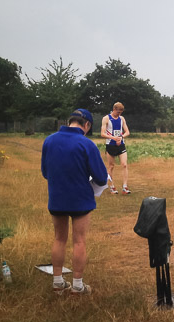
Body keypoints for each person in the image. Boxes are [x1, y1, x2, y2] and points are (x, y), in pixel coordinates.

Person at [41, 109, 108, 295]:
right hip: (80, 200)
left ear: (69, 121)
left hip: (57, 198)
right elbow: (102, 178)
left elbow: (45, 172)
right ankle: (78, 285)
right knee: (79, 241)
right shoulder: (86, 144)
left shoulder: (49, 141)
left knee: (59, 238)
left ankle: (58, 282)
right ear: (86, 125)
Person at [101, 102, 131, 194]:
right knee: (111, 166)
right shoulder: (106, 118)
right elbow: (102, 134)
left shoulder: (122, 119)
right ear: (114, 109)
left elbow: (127, 132)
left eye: (121, 112)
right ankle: (112, 186)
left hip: (121, 144)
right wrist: (114, 138)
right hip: (110, 145)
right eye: (118, 112)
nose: (119, 114)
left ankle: (125, 187)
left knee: (124, 164)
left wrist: (121, 137)